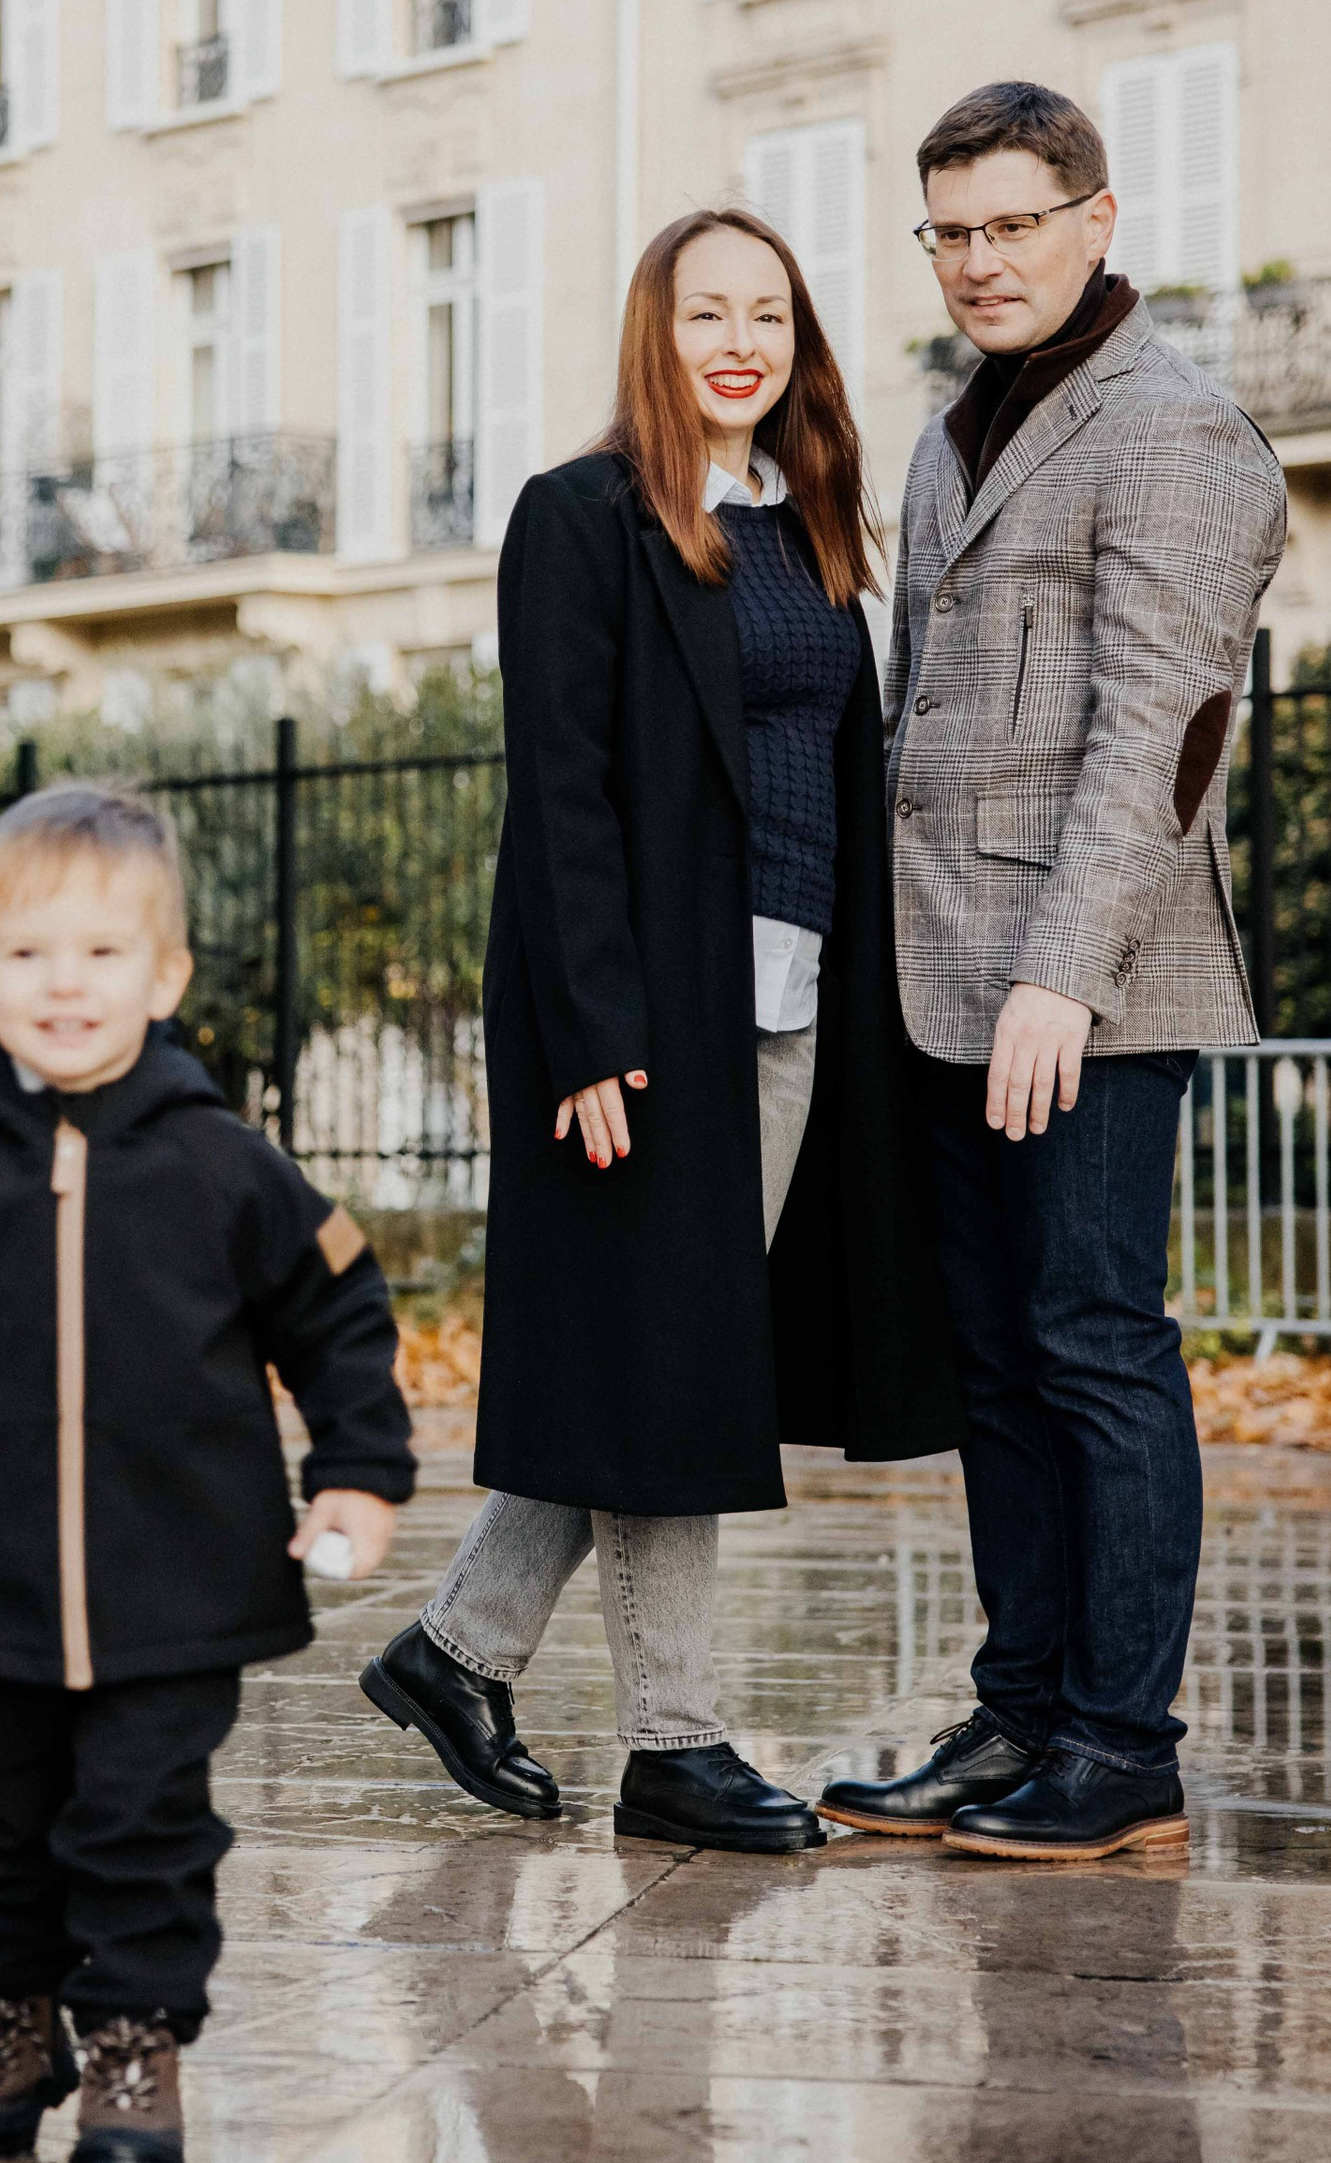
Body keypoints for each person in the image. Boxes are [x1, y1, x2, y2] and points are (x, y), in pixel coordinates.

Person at [360, 208, 963, 1851]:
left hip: (793, 1007)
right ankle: (673, 1744)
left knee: (666, 1363)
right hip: (645, 1023)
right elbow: (558, 795)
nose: (741, 341)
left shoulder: (813, 517)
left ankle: (456, 1651)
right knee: (676, 1367)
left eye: (770, 311)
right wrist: (590, 1038)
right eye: (710, 312)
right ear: (658, 329)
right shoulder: (585, 518)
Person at [0, 784, 414, 2161]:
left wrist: (359, 1467)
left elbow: (337, 1315)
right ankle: (11, 2017)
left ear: (163, 976)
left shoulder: (227, 1166)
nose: (67, 986)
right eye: (32, 957)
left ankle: (131, 2040)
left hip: (179, 1579)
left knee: (142, 1820)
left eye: (102, 954)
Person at [815, 82, 1285, 1861]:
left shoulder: (1176, 430)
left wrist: (1062, 980)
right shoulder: (955, 436)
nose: (980, 262)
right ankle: (1021, 1714)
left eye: (1013, 224)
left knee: (1094, 1342)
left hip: (1084, 988)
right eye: (951, 231)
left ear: (1098, 218)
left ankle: (1119, 1748)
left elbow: (1163, 733)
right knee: (997, 1361)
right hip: (943, 974)